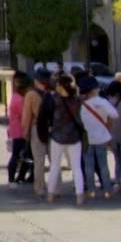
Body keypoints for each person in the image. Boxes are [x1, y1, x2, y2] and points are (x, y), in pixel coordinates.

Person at [44, 74, 85, 205]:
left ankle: (50, 195)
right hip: (74, 137)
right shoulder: (78, 100)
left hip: (57, 137)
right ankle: (80, 196)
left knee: (54, 166)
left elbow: (47, 116)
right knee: (77, 168)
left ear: (60, 86)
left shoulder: (53, 99)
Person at [77, 77, 117, 200]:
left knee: (89, 165)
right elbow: (115, 115)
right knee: (103, 164)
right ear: (95, 89)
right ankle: (107, 190)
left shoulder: (82, 105)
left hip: (87, 137)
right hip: (102, 136)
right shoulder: (102, 102)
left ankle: (91, 190)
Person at [5, 71, 31, 184]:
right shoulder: (19, 99)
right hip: (20, 131)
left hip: (16, 130)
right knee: (17, 155)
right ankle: (13, 177)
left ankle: (20, 176)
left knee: (23, 155)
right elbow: (23, 114)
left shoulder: (16, 97)